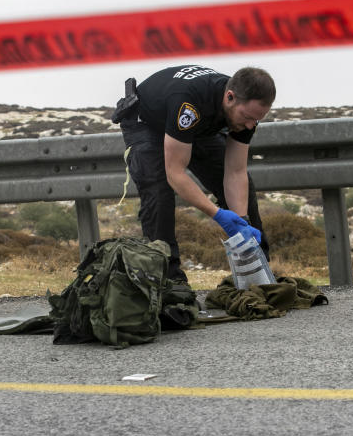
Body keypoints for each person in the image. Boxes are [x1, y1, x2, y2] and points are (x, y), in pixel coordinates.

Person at [115, 64, 275, 283]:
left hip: (198, 127)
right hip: (148, 124)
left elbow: (235, 172)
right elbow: (175, 173)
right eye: (247, 117)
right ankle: (170, 283)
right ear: (230, 97)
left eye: (256, 119)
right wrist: (217, 214)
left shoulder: (246, 112)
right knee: (159, 195)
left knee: (245, 192)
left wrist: (241, 221)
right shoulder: (188, 103)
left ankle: (258, 273)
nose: (249, 125)